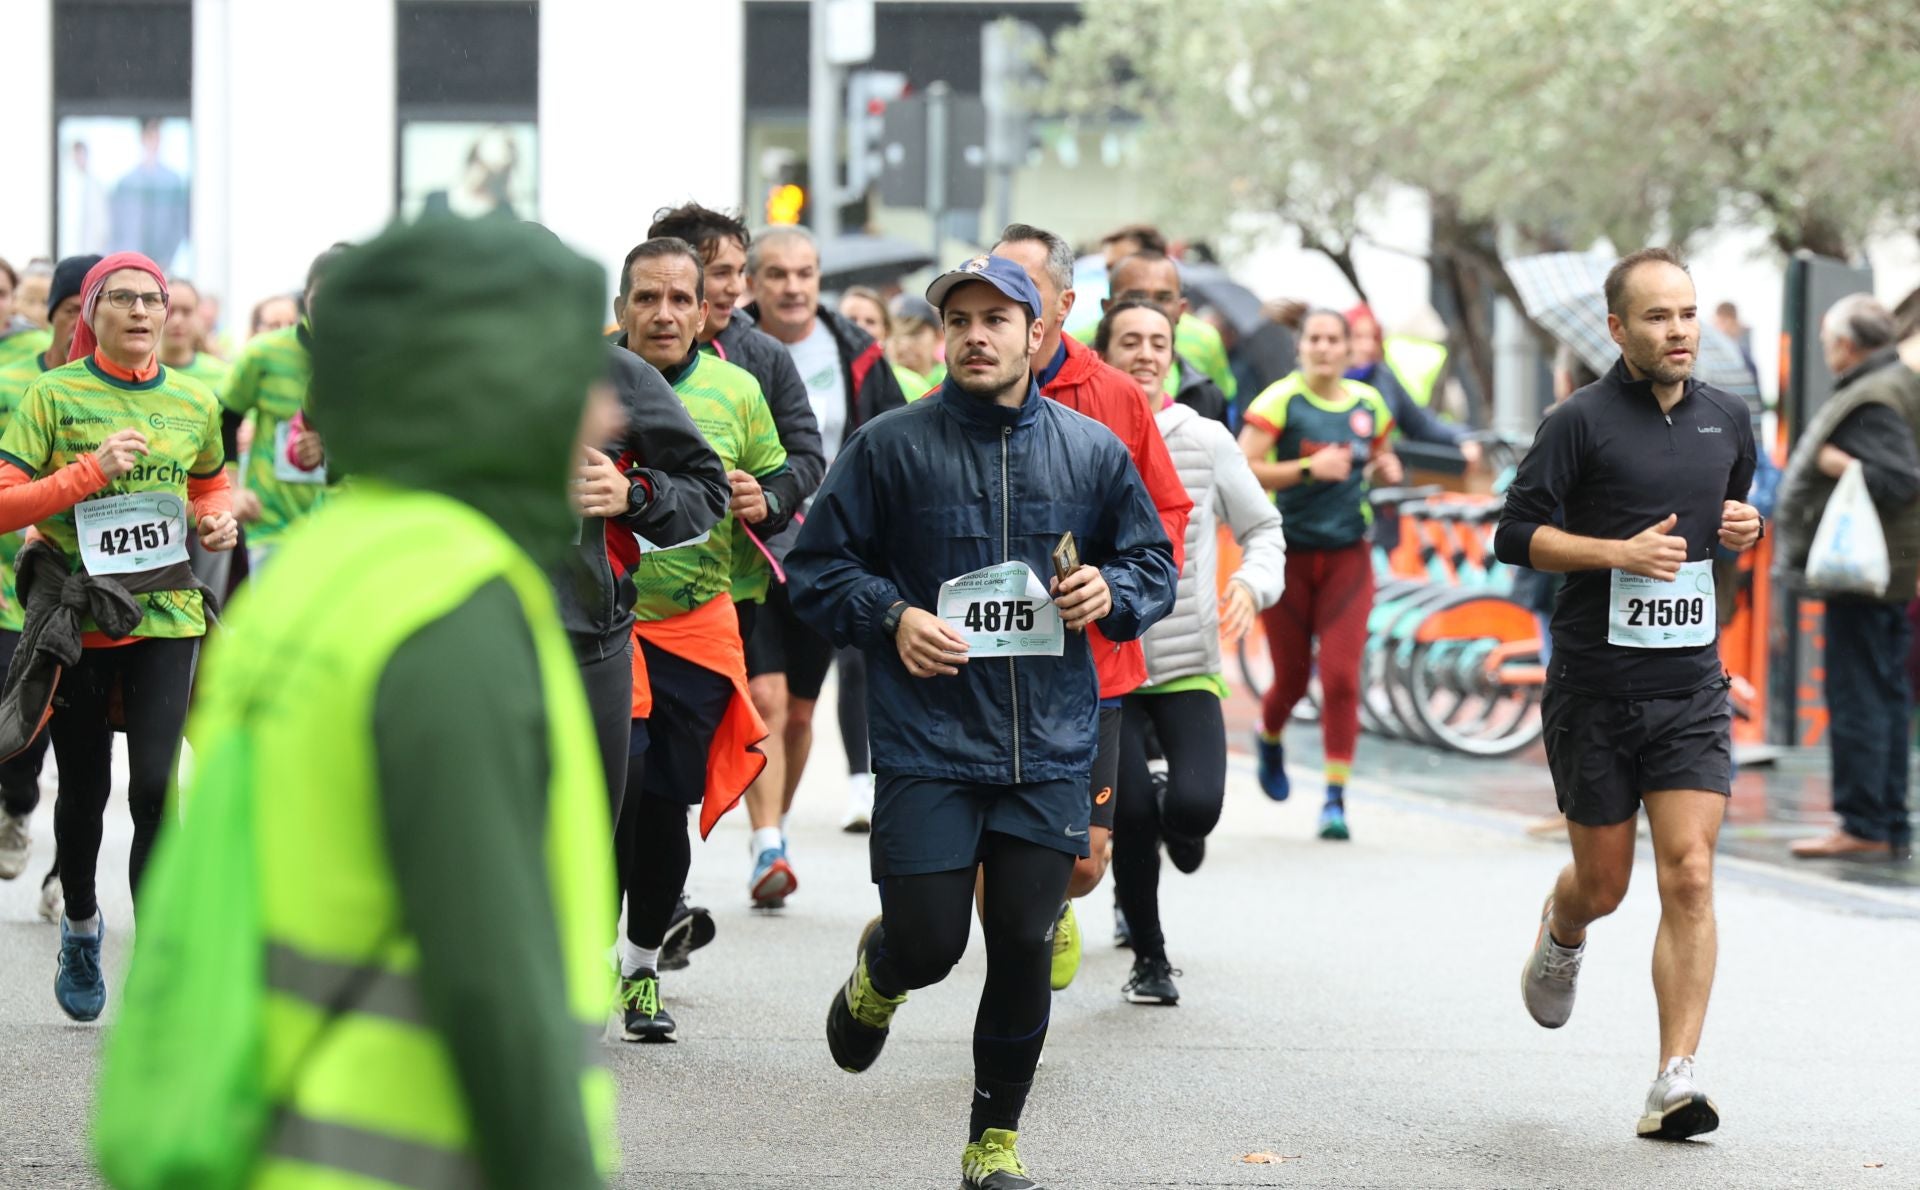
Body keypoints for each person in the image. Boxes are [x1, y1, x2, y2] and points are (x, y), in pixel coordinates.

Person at [93, 215, 618, 1190]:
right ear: (494, 390)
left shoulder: (327, 571)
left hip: (250, 1137)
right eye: (571, 377)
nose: (604, 415)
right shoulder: (453, 602)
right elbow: (497, 987)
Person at [788, 253, 1177, 1190]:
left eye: (995, 319)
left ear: (1036, 335)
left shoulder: (1090, 451)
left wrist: (1109, 588)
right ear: (937, 337)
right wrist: (893, 616)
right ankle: (880, 975)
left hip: (1047, 746)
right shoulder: (890, 446)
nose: (974, 334)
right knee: (930, 941)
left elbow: (1153, 564)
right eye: (957, 319)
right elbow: (816, 569)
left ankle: (992, 1141)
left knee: (1021, 942)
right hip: (927, 741)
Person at [1494, 247, 1761, 1140]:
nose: (1678, 330)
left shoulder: (1729, 419)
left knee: (1689, 873)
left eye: (1686, 314)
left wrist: (1745, 527)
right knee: (1606, 885)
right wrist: (1616, 553)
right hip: (1596, 686)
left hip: (1689, 684)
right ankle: (1564, 926)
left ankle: (1673, 1081)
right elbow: (1514, 534)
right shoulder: (1578, 422)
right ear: (1618, 329)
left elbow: (1729, 523)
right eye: (1657, 317)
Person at [0, 252, 237, 1021]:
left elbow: (208, 480)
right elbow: (6, 504)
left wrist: (216, 515)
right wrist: (86, 474)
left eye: (152, 300)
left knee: (157, 786)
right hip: (81, 618)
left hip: (166, 612)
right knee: (88, 795)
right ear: (91, 312)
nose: (139, 312)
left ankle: (161, 956)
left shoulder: (196, 402)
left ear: (168, 316)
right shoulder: (51, 394)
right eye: (122, 299)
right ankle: (79, 925)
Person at [991, 222, 1192, 992]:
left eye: (1023, 288)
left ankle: (1053, 902)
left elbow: (1166, 516)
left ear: (1065, 304)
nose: (1000, 305)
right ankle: (998, 951)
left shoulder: (1112, 395)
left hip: (1091, 663)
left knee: (1081, 864)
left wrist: (1113, 585)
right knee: (998, 852)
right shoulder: (962, 389)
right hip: (985, 664)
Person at [614, 236, 785, 1040]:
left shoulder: (737, 390)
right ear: (620, 309)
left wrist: (767, 495)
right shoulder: (588, 384)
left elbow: (787, 473)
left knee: (662, 812)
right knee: (612, 795)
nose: (664, 313)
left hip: (695, 626)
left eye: (681, 298)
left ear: (707, 306)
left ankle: (642, 967)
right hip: (601, 629)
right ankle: (585, 962)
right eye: (647, 298)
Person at [1095, 298, 1285, 1006]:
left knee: (1195, 810)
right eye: (1129, 342)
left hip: (1184, 665)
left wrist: (1252, 584)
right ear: (1103, 354)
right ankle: (1150, 959)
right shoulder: (1075, 433)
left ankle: (1182, 810)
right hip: (1106, 669)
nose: (1145, 353)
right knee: (1133, 815)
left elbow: (1265, 528)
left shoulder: (1203, 438)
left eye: (1157, 343)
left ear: (1173, 355)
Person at [741, 225, 907, 889]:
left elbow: (893, 438)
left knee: (803, 712)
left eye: (804, 273)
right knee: (765, 697)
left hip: (827, 552)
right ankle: (766, 842)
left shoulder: (855, 352)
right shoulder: (729, 348)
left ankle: (772, 829)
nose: (792, 287)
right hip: (749, 550)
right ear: (753, 283)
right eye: (777, 274)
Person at [1237, 309, 1401, 839]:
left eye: (1336, 339)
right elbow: (1242, 468)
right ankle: (1268, 735)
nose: (1326, 348)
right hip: (1289, 555)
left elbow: (1380, 457)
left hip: (1349, 557)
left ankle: (1334, 800)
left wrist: (1385, 469)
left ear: (1351, 349)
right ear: (1300, 346)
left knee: (1339, 678)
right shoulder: (1280, 401)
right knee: (1290, 679)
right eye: (1316, 339)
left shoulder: (1369, 405)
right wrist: (1308, 468)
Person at [558, 345, 729, 826]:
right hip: (473, 641)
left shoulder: (616, 373)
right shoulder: (442, 363)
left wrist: (631, 494)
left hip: (589, 648)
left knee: (592, 846)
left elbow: (709, 488)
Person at [1775, 294, 1919, 860]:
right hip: (1888, 572)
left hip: (1866, 574)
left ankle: (1864, 823)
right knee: (1883, 693)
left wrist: (1840, 464)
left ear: (1846, 344)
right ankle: (1884, 822)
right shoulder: (1897, 382)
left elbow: (1899, 479)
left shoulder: (1876, 396)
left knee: (1861, 694)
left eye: (1829, 342)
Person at [0, 253, 96, 904]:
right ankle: (17, 802)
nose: (79, 328)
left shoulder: (134, 393)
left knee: (83, 740)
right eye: (68, 313)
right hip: (17, 581)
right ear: (51, 315)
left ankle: (70, 871)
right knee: (23, 726)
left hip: (96, 589)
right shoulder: (15, 381)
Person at [218, 248, 344, 571]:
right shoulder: (264, 353)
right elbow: (225, 417)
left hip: (343, 524)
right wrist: (233, 487)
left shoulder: (377, 360)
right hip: (273, 525)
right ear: (306, 298)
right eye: (321, 299)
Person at [1097, 223, 1236, 403]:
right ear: (1107, 306)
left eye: (1159, 346)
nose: (1146, 357)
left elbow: (1222, 399)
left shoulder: (1205, 339)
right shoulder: (1079, 343)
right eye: (1109, 267)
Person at [1347, 303, 1482, 469]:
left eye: (1372, 337)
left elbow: (1422, 424)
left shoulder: (1383, 378)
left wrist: (1464, 436)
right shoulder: (1324, 383)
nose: (1367, 346)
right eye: (1358, 337)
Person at [841, 284, 933, 398]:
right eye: (852, 319)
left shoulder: (911, 385)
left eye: (870, 321)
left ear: (886, 332)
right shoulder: (824, 378)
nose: (860, 327)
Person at [889, 293, 945, 390]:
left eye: (915, 334)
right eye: (895, 335)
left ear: (937, 336)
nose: (904, 346)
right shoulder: (878, 388)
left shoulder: (955, 383)